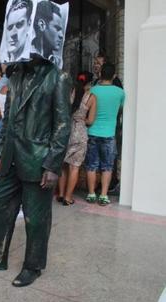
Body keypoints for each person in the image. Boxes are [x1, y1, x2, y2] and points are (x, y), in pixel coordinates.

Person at [0, 56, 72, 287]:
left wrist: (53, 164)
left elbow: (63, 124)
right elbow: (7, 120)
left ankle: (33, 266)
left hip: (38, 158)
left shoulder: (58, 76)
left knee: (36, 218)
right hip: (11, 157)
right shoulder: (15, 75)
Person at [85, 63, 125, 206]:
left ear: (100, 74)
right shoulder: (120, 92)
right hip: (109, 133)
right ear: (114, 76)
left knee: (91, 165)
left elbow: (85, 109)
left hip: (92, 132)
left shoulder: (92, 90)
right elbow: (120, 110)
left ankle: (91, 193)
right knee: (107, 166)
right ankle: (103, 195)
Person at [57, 71, 97, 205]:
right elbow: (90, 121)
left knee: (63, 165)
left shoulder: (69, 93)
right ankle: (68, 198)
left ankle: (61, 194)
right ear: (90, 83)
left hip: (66, 130)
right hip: (79, 133)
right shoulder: (91, 97)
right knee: (74, 167)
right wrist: (81, 118)